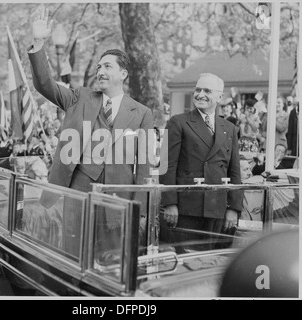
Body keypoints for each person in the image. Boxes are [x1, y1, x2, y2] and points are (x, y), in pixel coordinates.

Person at [28, 5, 154, 252]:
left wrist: (140, 208)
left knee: (113, 262)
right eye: (98, 67)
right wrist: (38, 43)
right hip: (78, 193)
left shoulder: (142, 114)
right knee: (74, 255)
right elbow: (45, 85)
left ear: (124, 74)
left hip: (118, 199)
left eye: (107, 66)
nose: (101, 71)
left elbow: (146, 166)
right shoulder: (79, 97)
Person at [159, 73, 243, 252]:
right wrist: (170, 203)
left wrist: (234, 208)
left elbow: (234, 172)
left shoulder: (230, 128)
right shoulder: (178, 122)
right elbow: (167, 165)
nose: (200, 94)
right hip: (186, 210)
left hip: (218, 210)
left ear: (219, 97)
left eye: (207, 90)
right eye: (198, 90)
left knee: (210, 264)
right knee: (185, 264)